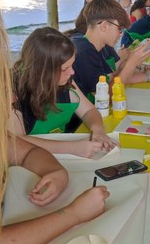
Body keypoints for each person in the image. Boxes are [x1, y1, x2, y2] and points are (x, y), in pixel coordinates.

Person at [0, 0, 109, 244]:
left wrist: (94, 132)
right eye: (67, 68)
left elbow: (18, 146)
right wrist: (72, 213)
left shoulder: (65, 86)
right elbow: (17, 139)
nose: (74, 74)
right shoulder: (14, 95)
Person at [9, 27, 117, 158]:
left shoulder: (66, 81)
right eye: (65, 68)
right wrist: (71, 148)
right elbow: (16, 141)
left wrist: (98, 130)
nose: (72, 72)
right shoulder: (12, 92)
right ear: (43, 71)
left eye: (72, 65)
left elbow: (89, 111)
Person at [71, 0, 150, 97]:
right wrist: (132, 63)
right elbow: (105, 97)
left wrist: (145, 72)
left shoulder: (101, 45)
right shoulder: (84, 51)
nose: (121, 34)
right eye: (120, 29)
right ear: (104, 26)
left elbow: (113, 77)